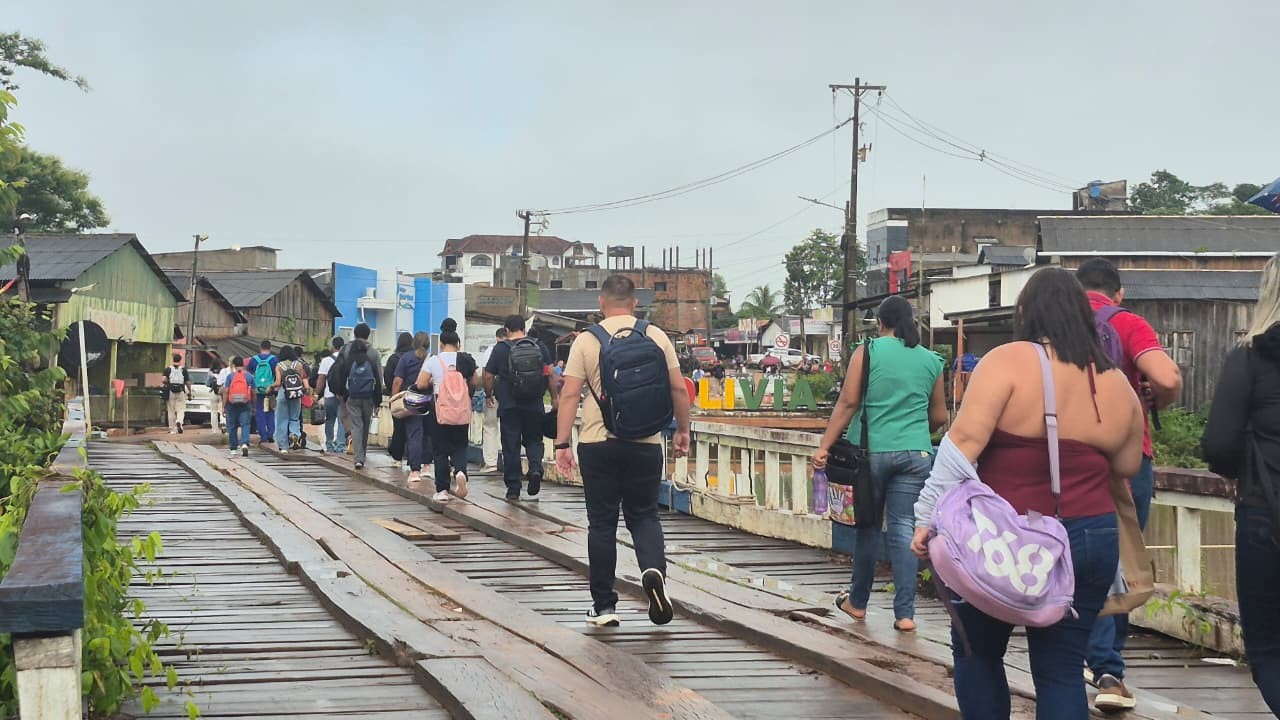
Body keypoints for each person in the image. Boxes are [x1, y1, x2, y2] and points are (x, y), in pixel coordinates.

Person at [909, 267, 1144, 720]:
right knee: (1061, 669)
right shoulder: (1117, 383)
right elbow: (1127, 466)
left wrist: (926, 516)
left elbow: (962, 447)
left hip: (1004, 537)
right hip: (1091, 538)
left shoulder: (1008, 361)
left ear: (1024, 312)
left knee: (978, 653)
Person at [1075, 258, 1184, 711]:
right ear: (1118, 292)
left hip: (1067, 454)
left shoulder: (1057, 324)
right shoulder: (1127, 322)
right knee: (1120, 560)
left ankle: (1080, 654)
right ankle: (1107, 667)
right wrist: (1155, 399)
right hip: (1127, 454)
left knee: (1069, 554)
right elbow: (1167, 377)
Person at [553, 275, 690, 628]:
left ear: (601, 302)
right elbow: (678, 389)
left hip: (598, 443)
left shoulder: (587, 340)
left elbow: (569, 395)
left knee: (602, 523)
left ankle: (604, 606)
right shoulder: (655, 335)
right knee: (644, 516)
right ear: (634, 303)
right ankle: (653, 571)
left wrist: (562, 443)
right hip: (645, 442)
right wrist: (682, 430)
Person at [812, 295, 947, 633]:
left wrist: (824, 446)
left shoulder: (868, 351)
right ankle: (905, 614)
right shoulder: (931, 360)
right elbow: (939, 417)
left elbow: (848, 402)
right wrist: (913, 430)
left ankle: (857, 602)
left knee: (869, 527)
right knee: (903, 528)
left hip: (871, 453)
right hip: (916, 455)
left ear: (881, 322)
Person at [1202, 251, 1280, 714]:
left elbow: (1219, 444)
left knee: (1269, 646)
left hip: (1266, 512)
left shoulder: (1250, 359)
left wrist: (1244, 469)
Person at [484, 315, 556, 500]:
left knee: (511, 445)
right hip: (534, 403)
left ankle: (513, 488)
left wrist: (488, 394)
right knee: (534, 440)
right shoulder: (539, 346)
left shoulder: (501, 349)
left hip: (509, 406)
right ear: (524, 329)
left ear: (507, 330)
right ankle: (535, 468)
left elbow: (488, 375)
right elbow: (550, 374)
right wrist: (555, 398)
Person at [418, 319, 477, 502]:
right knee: (460, 445)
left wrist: (433, 382)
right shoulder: (466, 359)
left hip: (440, 408)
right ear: (458, 343)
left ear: (441, 344)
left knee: (440, 449)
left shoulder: (434, 360)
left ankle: (442, 490)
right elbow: (475, 382)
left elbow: (420, 384)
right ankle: (460, 471)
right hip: (461, 408)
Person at [331, 323, 382, 465]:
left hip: (351, 395)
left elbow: (339, 371)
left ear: (354, 334)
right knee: (365, 426)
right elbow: (379, 377)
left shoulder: (346, 350)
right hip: (369, 395)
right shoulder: (373, 353)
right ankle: (362, 455)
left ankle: (358, 458)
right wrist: (378, 399)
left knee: (356, 425)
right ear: (368, 335)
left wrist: (340, 391)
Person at [394, 331, 433, 484]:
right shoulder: (432, 359)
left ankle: (415, 470)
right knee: (428, 434)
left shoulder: (406, 358)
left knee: (414, 434)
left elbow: (398, 381)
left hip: (412, 400)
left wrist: (394, 398)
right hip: (429, 400)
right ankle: (427, 466)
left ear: (413, 343)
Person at [476, 327, 508, 474]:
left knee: (490, 426)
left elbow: (486, 374)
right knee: (511, 428)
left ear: (497, 337)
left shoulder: (491, 350)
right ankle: (510, 461)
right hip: (512, 395)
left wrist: (488, 395)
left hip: (495, 393)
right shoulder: (515, 348)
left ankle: (491, 463)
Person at [271, 346, 311, 453]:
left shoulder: (279, 366)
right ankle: (294, 434)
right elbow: (302, 380)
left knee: (282, 420)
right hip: (296, 394)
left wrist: (270, 387)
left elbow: (278, 383)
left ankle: (283, 446)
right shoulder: (298, 365)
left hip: (283, 393)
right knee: (294, 418)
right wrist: (306, 389)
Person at [315, 336, 346, 454]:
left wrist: (316, 393)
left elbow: (321, 379)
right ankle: (341, 446)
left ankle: (329, 444)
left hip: (329, 394)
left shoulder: (326, 360)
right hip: (343, 395)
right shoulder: (347, 359)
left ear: (333, 346)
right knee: (342, 420)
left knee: (330, 420)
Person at [246, 341, 279, 445]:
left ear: (260, 347)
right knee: (270, 411)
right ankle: (270, 434)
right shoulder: (274, 359)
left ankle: (263, 435)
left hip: (257, 389)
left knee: (259, 411)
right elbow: (277, 374)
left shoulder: (253, 359)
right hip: (270, 389)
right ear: (270, 348)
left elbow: (249, 375)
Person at [221, 356, 253, 457]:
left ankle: (233, 448)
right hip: (245, 404)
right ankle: (244, 443)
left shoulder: (230, 376)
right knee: (245, 425)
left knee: (232, 426)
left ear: (234, 365)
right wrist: (254, 405)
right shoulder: (249, 376)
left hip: (231, 405)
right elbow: (254, 391)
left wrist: (223, 406)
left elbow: (226, 391)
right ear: (243, 365)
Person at [161, 352, 191, 434]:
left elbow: (163, 380)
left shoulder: (168, 369)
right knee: (181, 409)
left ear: (173, 360)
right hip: (181, 391)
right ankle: (179, 421)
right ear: (180, 360)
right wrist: (189, 391)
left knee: (171, 410)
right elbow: (187, 382)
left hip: (170, 391)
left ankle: (172, 429)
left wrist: (168, 382)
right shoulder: (183, 370)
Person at [207, 358, 226, 433]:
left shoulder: (210, 372)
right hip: (222, 392)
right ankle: (223, 423)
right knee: (222, 409)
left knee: (213, 411)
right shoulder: (223, 371)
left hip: (213, 392)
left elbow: (208, 383)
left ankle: (214, 429)